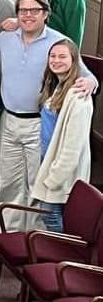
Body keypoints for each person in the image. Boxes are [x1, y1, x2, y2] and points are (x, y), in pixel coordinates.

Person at [0, 0, 96, 231]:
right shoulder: (5, 38)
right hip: (8, 120)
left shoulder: (58, 42)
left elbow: (84, 73)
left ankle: (33, 239)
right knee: (8, 182)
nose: (28, 15)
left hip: (38, 122)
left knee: (36, 184)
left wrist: (93, 82)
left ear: (45, 14)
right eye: (23, 11)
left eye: (34, 11)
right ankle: (10, 235)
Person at [33, 39, 94, 232]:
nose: (56, 60)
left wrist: (53, 179)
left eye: (62, 56)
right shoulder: (56, 87)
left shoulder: (78, 96)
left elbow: (72, 147)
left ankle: (61, 260)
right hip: (48, 161)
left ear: (74, 60)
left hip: (61, 172)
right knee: (49, 217)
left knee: (51, 218)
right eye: (53, 56)